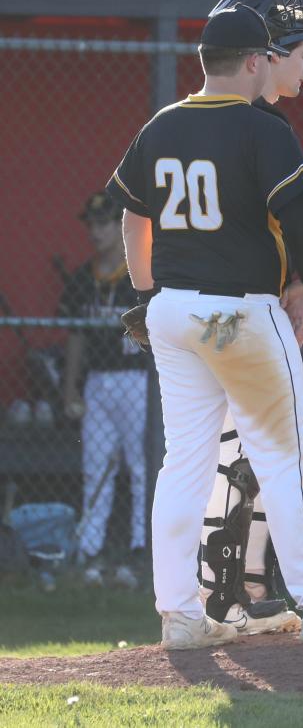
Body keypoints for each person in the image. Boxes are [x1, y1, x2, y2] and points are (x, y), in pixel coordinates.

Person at [106, 4, 303, 650]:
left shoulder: (162, 125)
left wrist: (148, 291)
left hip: (174, 310)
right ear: (249, 62)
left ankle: (179, 615)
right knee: (283, 458)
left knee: (184, 462)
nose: (270, 63)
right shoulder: (262, 129)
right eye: (265, 55)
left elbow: (130, 217)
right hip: (239, 312)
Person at [196, 0, 303, 637]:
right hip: (239, 308)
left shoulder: (207, 120)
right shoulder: (255, 125)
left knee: (239, 455)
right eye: (300, 51)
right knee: (257, 454)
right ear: (263, 53)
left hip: (207, 309)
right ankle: (235, 590)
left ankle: (236, 585)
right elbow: (299, 230)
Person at [60, 191, 148, 587]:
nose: (96, 231)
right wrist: (70, 389)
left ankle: (140, 550)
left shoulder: (141, 277)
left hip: (137, 379)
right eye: (91, 224)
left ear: (120, 225)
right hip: (97, 381)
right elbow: (75, 338)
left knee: (141, 466)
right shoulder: (83, 277)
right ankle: (91, 553)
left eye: (104, 223)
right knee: (95, 467)